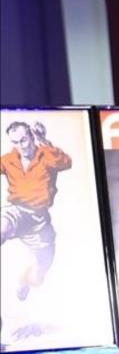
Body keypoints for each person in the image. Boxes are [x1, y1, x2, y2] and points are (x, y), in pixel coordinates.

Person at [0, 120, 72, 300]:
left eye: (23, 140)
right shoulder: (8, 160)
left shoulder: (46, 156)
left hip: (39, 220)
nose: (20, 146)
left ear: (32, 137)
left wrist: (44, 140)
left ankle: (25, 282)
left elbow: (66, 163)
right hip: (17, 211)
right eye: (15, 142)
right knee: (2, 226)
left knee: (40, 269)